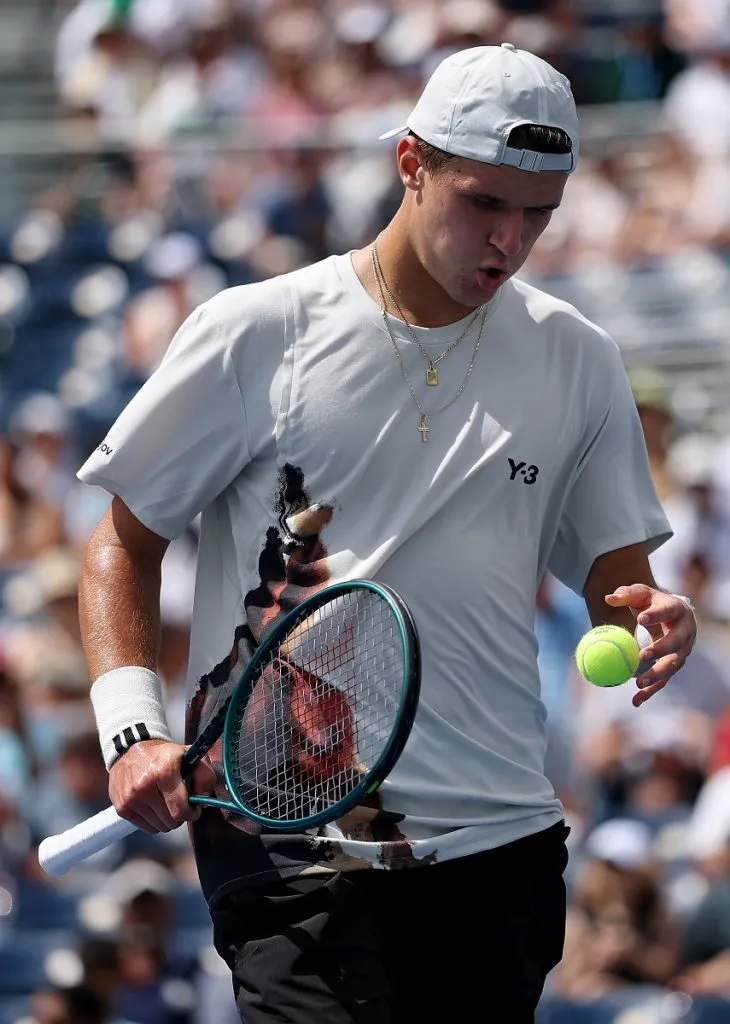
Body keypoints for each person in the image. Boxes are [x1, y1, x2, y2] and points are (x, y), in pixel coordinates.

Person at [73, 44, 698, 1023]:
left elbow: (618, 576)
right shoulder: (257, 330)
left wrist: (654, 613)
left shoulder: (579, 357)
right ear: (410, 163)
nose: (510, 239)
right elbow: (122, 541)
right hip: (287, 833)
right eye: (483, 201)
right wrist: (129, 725)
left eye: (539, 213)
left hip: (501, 838)